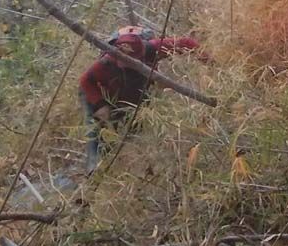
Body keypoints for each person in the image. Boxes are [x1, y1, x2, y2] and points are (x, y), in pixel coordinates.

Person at [79, 26, 202, 170]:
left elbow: (186, 43)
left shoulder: (153, 48)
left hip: (135, 93)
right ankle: (95, 166)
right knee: (97, 131)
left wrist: (211, 61)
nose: (126, 64)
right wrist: (100, 104)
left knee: (136, 124)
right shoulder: (106, 62)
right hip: (102, 93)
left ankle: (132, 157)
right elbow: (85, 81)